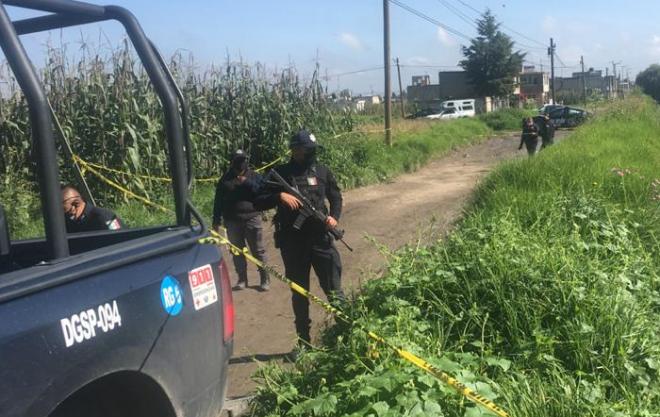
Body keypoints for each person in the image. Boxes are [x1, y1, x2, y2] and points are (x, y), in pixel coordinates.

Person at [255, 129, 344, 349]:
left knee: (333, 288)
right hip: (293, 243)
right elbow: (258, 199)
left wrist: (333, 217)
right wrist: (279, 196)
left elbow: (336, 196)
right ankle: (304, 343)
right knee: (300, 292)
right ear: (295, 151)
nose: (311, 153)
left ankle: (346, 334)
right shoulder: (281, 173)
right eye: (307, 150)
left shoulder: (322, 171)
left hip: (320, 240)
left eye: (312, 149)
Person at [213, 149, 270, 291]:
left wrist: (247, 183)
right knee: (237, 251)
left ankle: (265, 278)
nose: (241, 163)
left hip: (252, 218)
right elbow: (218, 202)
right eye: (238, 161)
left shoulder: (254, 176)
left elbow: (263, 191)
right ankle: (242, 279)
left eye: (243, 160)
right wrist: (216, 222)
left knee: (258, 250)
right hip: (232, 222)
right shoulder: (225, 180)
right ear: (232, 162)